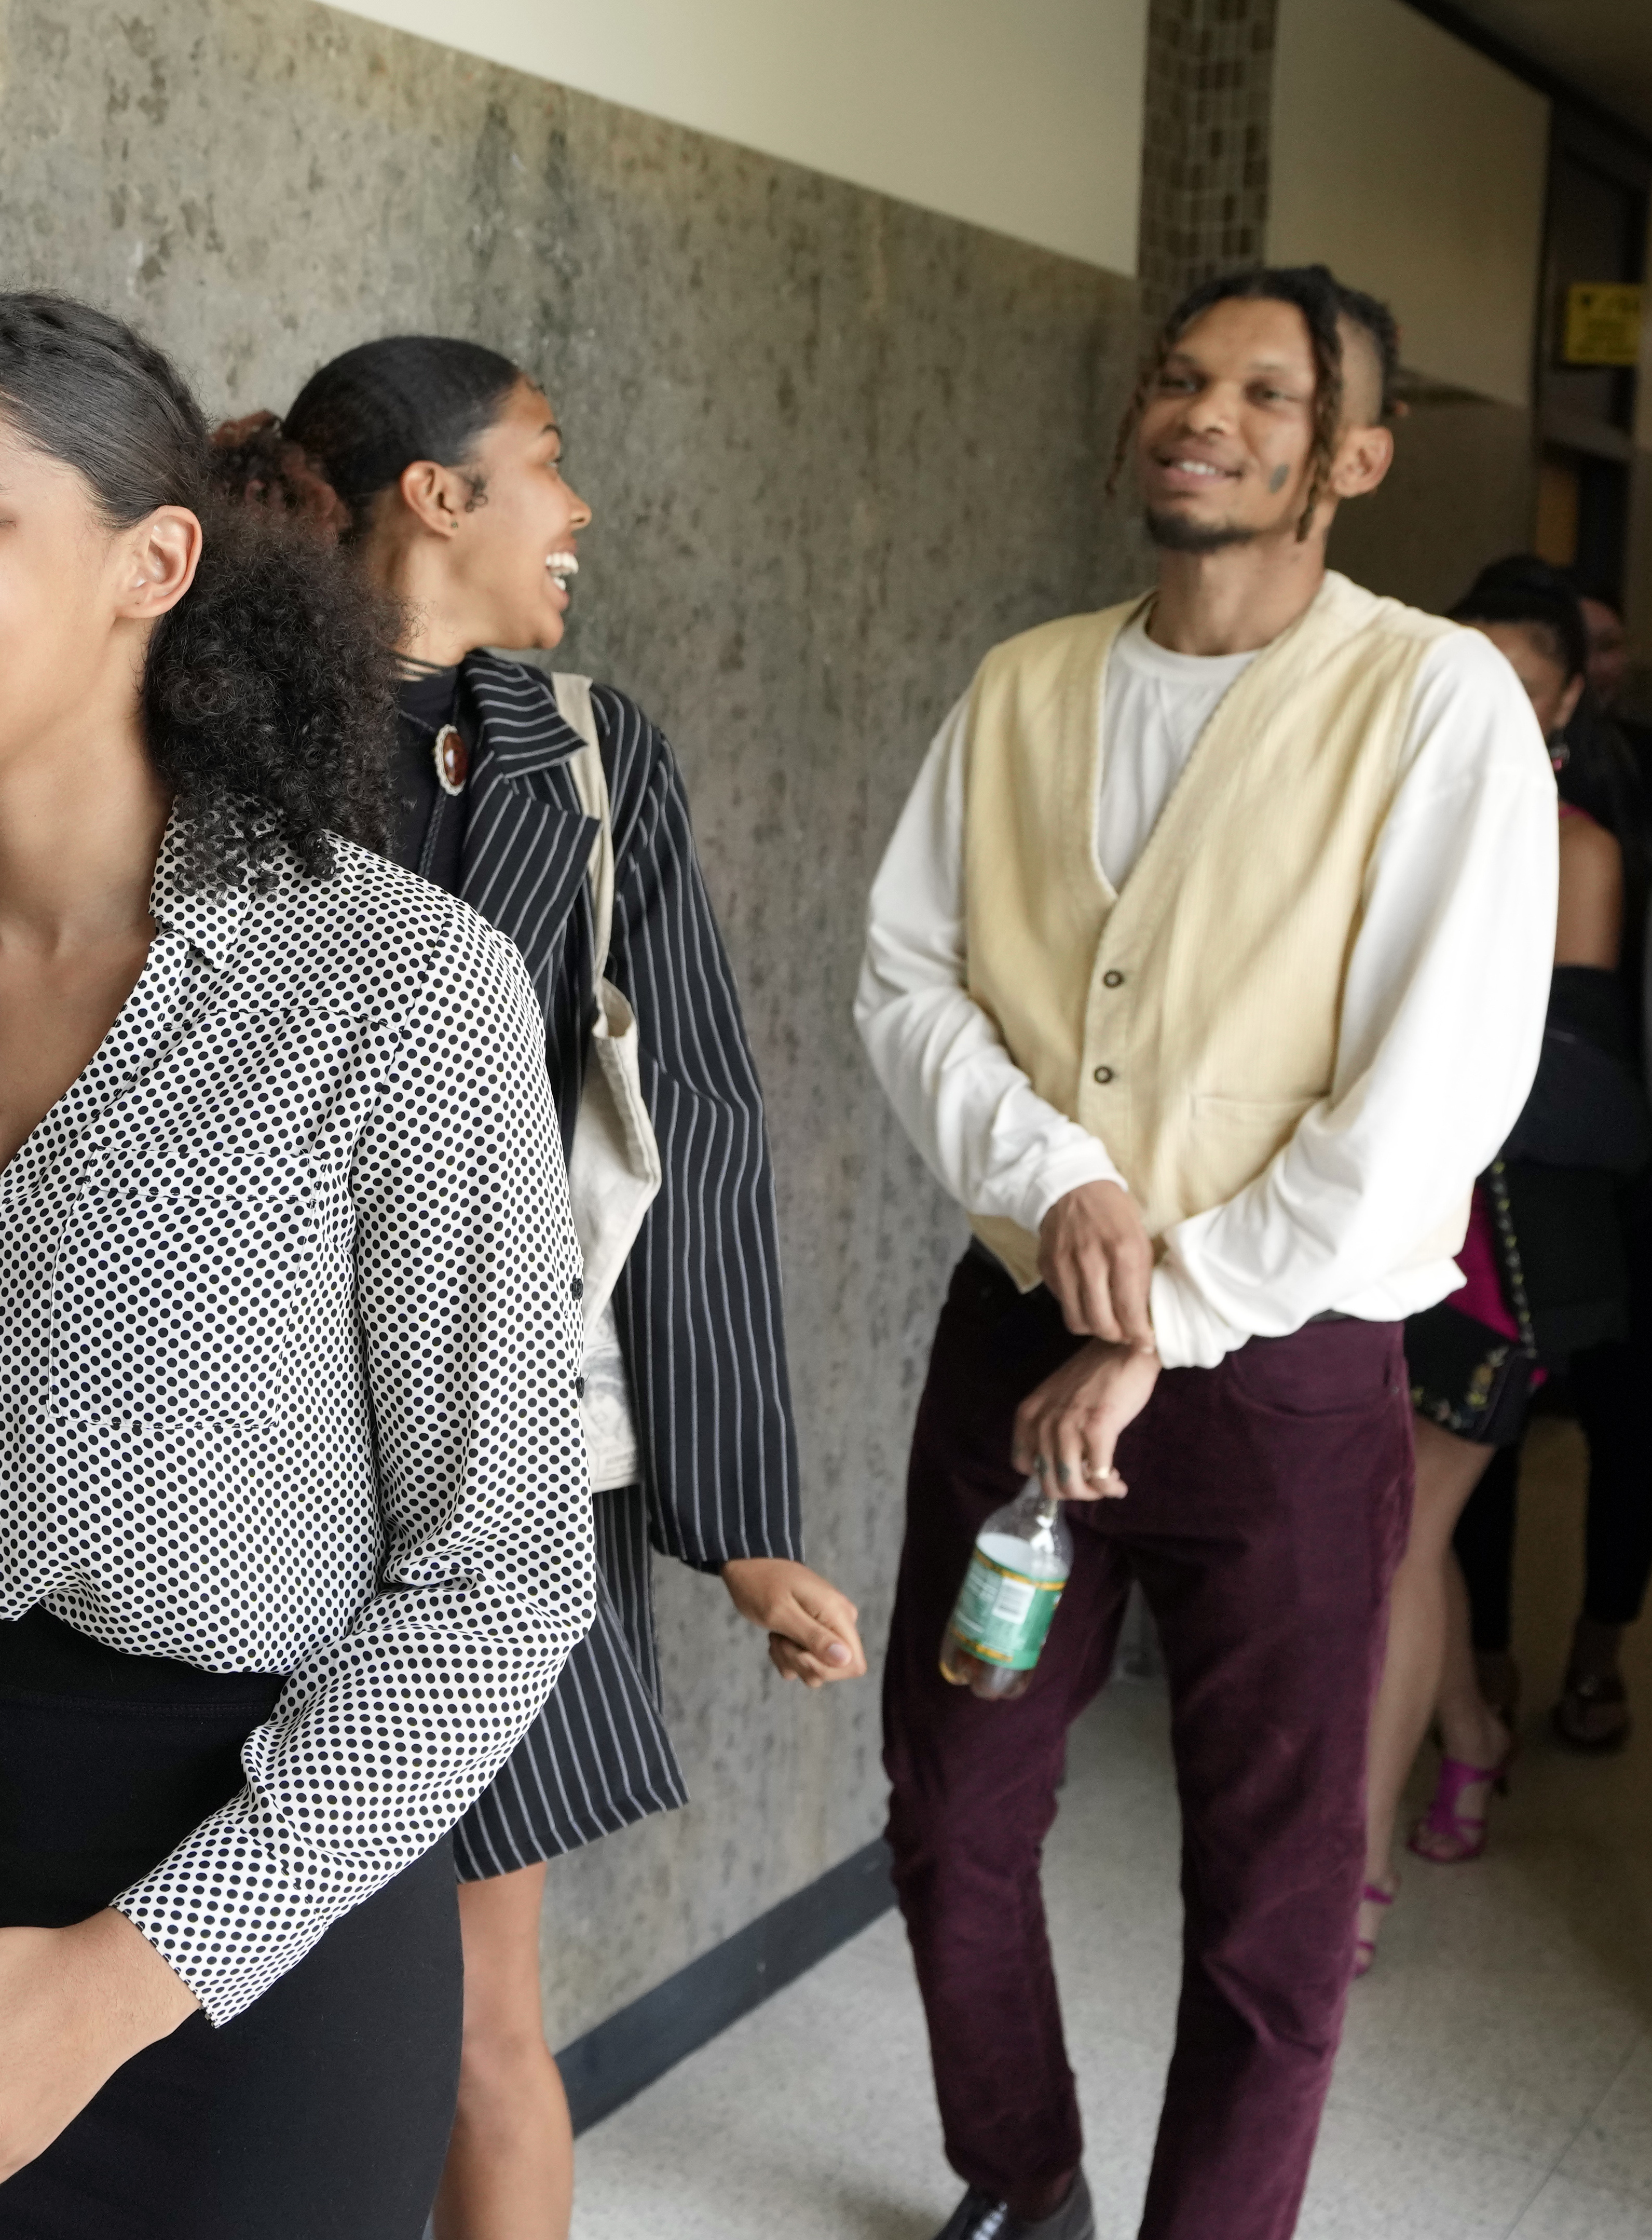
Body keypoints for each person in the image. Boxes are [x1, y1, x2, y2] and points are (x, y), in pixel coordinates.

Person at [0, 293, 595, 2239]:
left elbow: (503, 1576)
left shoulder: (400, 989)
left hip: (253, 1912)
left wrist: (122, 1973)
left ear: (153, 560)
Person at [854, 265, 1554, 2240]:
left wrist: (1167, 1308)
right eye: (1179, 375)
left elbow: (1436, 1084)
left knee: (1270, 1889)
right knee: (953, 1817)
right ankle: (1022, 2175)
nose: (1204, 411)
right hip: (1016, 1349)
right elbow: (908, 979)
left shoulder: (1433, 701)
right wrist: (1054, 1174)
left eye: (1266, 388)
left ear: (1350, 453)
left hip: (1284, 1372)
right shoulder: (1024, 682)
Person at [213, 341, 866, 2240]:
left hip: (504, 1470)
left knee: (483, 2013)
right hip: (225, 1454)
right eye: (545, 465)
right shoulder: (210, 710)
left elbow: (697, 1123)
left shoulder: (581, 755)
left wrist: (738, 1522)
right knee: (221, 1982)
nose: (575, 511)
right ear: (434, 492)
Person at [1356, 569, 1637, 1967]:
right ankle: (1467, 1732)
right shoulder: (1386, 817)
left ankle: (1346, 1873)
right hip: (1380, 1216)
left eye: (1524, 690)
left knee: (1397, 1532)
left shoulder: (1576, 846)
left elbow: (1551, 1076)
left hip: (1494, 1235)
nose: (1487, 711)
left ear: (1568, 704)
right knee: (1404, 1516)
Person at [1450, 562, 1652, 1755]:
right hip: (1477, 1178)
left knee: (1629, 1426)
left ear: (1574, 692)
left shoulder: (1604, 820)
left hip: (1592, 1163)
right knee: (1478, 1442)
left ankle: (1593, 1650)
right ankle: (1480, 1678)